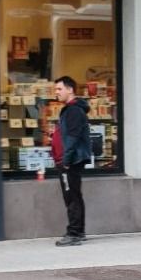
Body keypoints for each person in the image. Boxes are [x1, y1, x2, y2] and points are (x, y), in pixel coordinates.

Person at [52, 75, 91, 246]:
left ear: (70, 89)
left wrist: (66, 160)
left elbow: (73, 137)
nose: (56, 93)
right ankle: (78, 231)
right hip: (69, 160)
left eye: (59, 89)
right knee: (74, 195)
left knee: (72, 197)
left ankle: (74, 233)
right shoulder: (71, 109)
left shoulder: (74, 110)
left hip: (70, 161)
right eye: (55, 90)